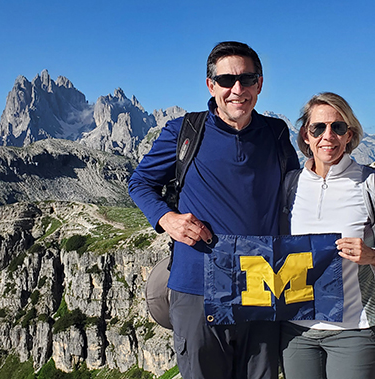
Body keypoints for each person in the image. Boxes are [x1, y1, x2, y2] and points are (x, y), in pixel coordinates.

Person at [128, 41, 299, 379]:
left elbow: (296, 192)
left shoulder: (276, 133)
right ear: (211, 85)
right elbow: (140, 183)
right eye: (226, 81)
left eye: (247, 79)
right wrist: (167, 219)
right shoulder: (184, 132)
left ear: (260, 84)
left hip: (262, 282)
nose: (237, 90)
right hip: (198, 287)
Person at [280, 92, 375, 379]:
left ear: (349, 134)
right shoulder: (290, 184)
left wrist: (372, 255)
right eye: (318, 128)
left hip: (354, 332)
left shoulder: (373, 183)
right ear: (305, 134)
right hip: (296, 333)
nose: (328, 136)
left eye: (338, 127)